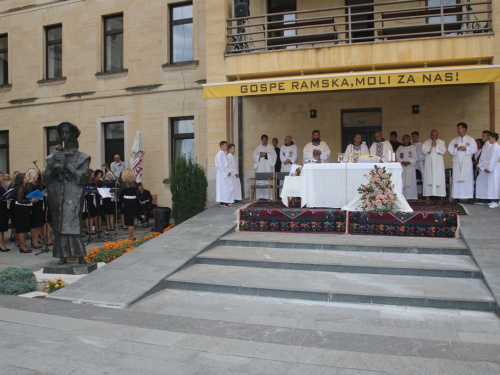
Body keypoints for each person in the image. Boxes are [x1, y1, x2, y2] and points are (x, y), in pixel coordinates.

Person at [44, 121, 91, 264]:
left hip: (73, 192)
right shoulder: (54, 155)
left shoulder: (83, 157)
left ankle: (79, 255)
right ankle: (62, 255)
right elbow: (46, 177)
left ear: (74, 135)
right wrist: (54, 169)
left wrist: (67, 164)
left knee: (72, 223)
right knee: (59, 224)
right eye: (62, 133)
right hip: (58, 193)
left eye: (67, 132)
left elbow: (82, 178)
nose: (64, 136)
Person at [448, 122, 478, 201]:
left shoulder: (470, 139)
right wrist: (457, 149)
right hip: (457, 162)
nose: (458, 130)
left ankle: (468, 197)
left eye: (459, 128)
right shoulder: (454, 140)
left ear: (464, 129)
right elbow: (450, 150)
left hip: (466, 162)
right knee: (457, 179)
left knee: (467, 179)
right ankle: (457, 197)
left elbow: (475, 149)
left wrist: (466, 149)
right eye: (457, 128)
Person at [14, 173, 38, 253]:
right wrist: (30, 201)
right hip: (20, 209)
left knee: (24, 227)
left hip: (25, 209)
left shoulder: (24, 186)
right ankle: (22, 246)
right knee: (21, 228)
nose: (26, 179)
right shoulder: (20, 187)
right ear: (20, 179)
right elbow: (19, 199)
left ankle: (23, 245)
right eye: (24, 178)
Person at [476, 132, 500, 208]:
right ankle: (493, 199)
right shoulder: (492, 147)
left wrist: (489, 168)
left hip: (494, 168)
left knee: (494, 184)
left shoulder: (496, 147)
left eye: (490, 138)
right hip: (490, 167)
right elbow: (487, 159)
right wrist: (484, 167)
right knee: (491, 184)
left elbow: (493, 159)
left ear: (494, 138)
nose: (488, 140)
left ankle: (496, 201)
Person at [422, 130, 447, 202]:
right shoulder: (426, 142)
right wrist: (431, 146)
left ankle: (439, 197)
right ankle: (430, 197)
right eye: (433, 135)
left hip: (438, 164)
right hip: (429, 164)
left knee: (438, 179)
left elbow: (443, 151)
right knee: (429, 179)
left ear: (438, 135)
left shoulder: (441, 142)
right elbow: (424, 151)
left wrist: (436, 146)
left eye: (435, 135)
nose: (434, 137)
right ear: (430, 135)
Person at [253, 135, 277, 200]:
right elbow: (254, 157)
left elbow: (274, 156)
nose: (264, 140)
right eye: (263, 139)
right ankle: (260, 197)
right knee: (260, 182)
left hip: (268, 167)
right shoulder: (258, 148)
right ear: (261, 140)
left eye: (265, 139)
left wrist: (266, 155)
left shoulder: (271, 147)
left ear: (267, 140)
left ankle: (269, 197)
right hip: (260, 167)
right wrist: (260, 155)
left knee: (268, 181)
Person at [396, 135, 418, 200]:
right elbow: (397, 156)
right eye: (403, 139)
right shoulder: (400, 148)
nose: (403, 140)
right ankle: (403, 197)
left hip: (410, 167)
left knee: (410, 181)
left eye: (405, 139)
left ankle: (411, 197)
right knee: (402, 181)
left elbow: (415, 156)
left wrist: (409, 162)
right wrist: (402, 161)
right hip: (402, 167)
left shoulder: (413, 147)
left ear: (408, 139)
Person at [26, 168, 44, 249]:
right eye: (36, 174)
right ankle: (34, 241)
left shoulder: (36, 184)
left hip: (39, 204)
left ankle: (36, 240)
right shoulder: (28, 185)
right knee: (34, 224)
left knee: (38, 224)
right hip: (33, 205)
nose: (37, 176)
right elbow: (27, 195)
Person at [119, 168, 138, 240]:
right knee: (132, 219)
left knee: (129, 221)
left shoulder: (124, 184)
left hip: (127, 202)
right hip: (133, 201)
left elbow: (120, 194)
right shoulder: (135, 183)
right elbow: (137, 193)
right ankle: (134, 236)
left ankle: (131, 237)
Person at [215, 141, 234, 207]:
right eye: (225, 145)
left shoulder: (224, 154)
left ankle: (227, 200)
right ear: (221, 146)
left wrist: (229, 171)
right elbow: (220, 165)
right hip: (222, 174)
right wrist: (226, 172)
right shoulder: (219, 154)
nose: (226, 147)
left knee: (227, 187)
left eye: (227, 145)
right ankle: (223, 202)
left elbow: (228, 164)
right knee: (223, 188)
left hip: (226, 173)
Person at [0, 176, 10, 251]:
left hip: (3, 206)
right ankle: (1, 244)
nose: (2, 177)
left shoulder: (2, 185)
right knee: (0, 227)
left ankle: (2, 243)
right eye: (0, 176)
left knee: (2, 227)